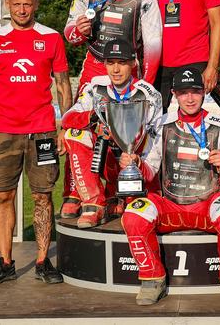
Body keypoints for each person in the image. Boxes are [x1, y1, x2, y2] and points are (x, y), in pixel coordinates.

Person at [120, 67, 220, 307]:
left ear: (204, 92)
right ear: (174, 94)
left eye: (195, 91)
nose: (190, 98)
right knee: (133, 215)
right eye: (183, 93)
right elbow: (150, 171)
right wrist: (136, 163)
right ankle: (153, 279)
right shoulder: (162, 124)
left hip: (207, 203)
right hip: (170, 205)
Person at [0, 0, 72, 285]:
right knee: (4, 196)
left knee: (42, 197)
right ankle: (5, 262)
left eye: (27, 4)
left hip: (42, 130)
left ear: (36, 4)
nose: (22, 10)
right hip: (4, 130)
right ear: (7, 5)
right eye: (16, 4)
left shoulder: (51, 38)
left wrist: (64, 128)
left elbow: (63, 86)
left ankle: (43, 262)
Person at [61, 0, 162, 218]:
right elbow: (70, 35)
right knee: (84, 125)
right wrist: (78, 31)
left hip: (130, 68)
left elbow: (153, 45)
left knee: (126, 134)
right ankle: (75, 191)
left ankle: (121, 190)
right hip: (95, 64)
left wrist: (147, 85)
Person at [61, 39, 162, 229]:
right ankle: (94, 203)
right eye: (110, 62)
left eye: (122, 62)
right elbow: (68, 118)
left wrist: (138, 164)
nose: (115, 70)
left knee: (136, 215)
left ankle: (121, 195)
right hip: (106, 161)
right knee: (74, 134)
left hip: (137, 164)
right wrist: (94, 118)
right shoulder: (96, 88)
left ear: (133, 63)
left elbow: (157, 141)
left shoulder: (148, 93)